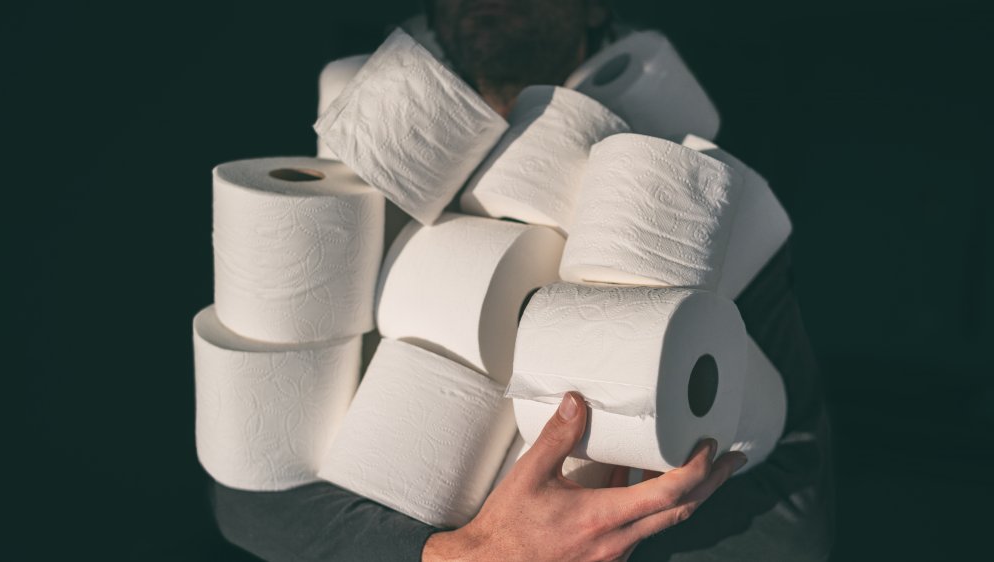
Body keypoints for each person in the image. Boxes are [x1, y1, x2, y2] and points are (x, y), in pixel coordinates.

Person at [210, 1, 835, 560]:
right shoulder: (343, 195)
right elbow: (251, 492)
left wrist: (602, 538)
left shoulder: (678, 211)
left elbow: (792, 511)